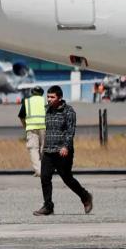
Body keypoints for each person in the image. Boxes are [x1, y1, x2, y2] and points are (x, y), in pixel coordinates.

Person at [33, 85, 93, 216]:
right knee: (45, 178)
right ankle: (48, 206)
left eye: (52, 97)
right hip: (48, 150)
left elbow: (70, 131)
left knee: (67, 179)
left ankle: (85, 197)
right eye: (48, 97)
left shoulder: (69, 111)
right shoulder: (47, 110)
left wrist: (66, 146)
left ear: (60, 98)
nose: (49, 99)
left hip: (62, 152)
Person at [18, 86, 45, 176]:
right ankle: (45, 169)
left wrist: (26, 126)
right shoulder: (46, 101)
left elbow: (21, 116)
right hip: (45, 127)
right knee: (43, 149)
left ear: (32, 93)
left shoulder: (27, 101)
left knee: (33, 149)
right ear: (42, 93)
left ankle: (39, 171)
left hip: (31, 128)